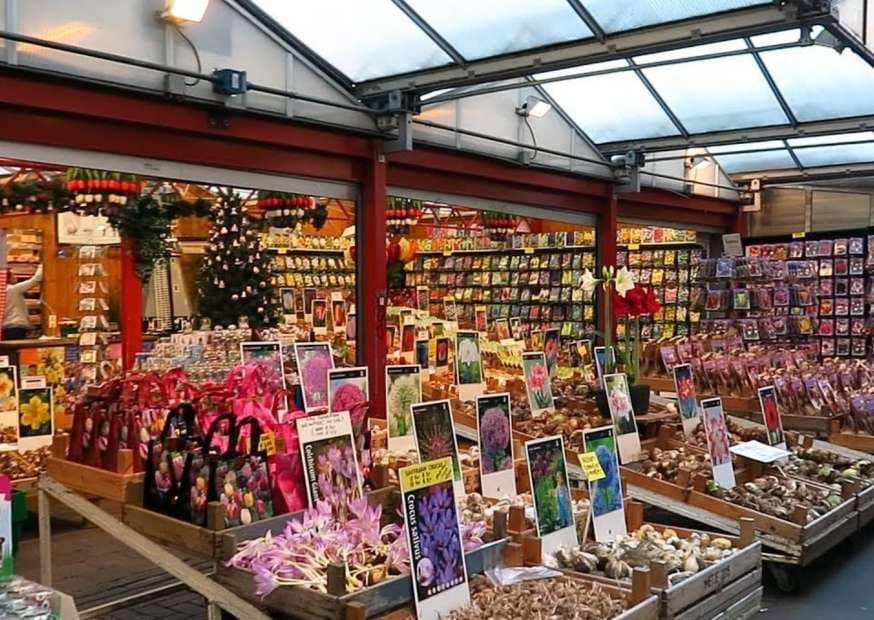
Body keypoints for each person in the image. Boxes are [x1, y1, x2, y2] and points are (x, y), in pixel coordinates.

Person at [4, 264, 42, 340]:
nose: (15, 277)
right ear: (7, 277)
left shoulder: (5, 290)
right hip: (16, 326)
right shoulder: (13, 289)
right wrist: (42, 265)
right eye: (12, 274)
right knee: (17, 346)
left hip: (6, 326)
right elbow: (36, 279)